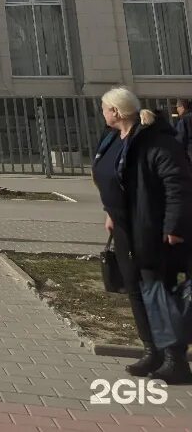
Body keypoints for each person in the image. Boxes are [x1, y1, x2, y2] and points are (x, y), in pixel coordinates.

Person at [93, 87, 192, 383]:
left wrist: (173, 226)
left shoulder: (154, 142)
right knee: (135, 289)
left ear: (116, 112)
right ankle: (152, 351)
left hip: (151, 228)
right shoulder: (112, 138)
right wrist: (111, 211)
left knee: (156, 290)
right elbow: (113, 178)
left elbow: (178, 185)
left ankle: (175, 360)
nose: (102, 113)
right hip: (125, 228)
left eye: (104, 108)